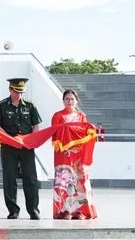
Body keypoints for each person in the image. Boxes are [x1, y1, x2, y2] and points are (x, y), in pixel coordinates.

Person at [0, 78, 42, 220]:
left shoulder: (30, 106)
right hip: (9, 146)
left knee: (30, 178)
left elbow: (36, 125)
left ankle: (33, 210)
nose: (19, 94)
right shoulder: (1, 105)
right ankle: (13, 210)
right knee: (9, 178)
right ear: (10, 90)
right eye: (16, 91)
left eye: (21, 92)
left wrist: (32, 140)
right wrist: (10, 139)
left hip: (26, 146)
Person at [51, 89, 97, 220]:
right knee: (64, 181)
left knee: (79, 181)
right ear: (63, 101)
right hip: (63, 154)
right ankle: (64, 211)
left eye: (72, 99)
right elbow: (56, 133)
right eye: (67, 99)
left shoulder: (81, 115)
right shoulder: (57, 115)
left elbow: (85, 133)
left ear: (76, 100)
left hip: (78, 154)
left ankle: (80, 211)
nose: (69, 101)